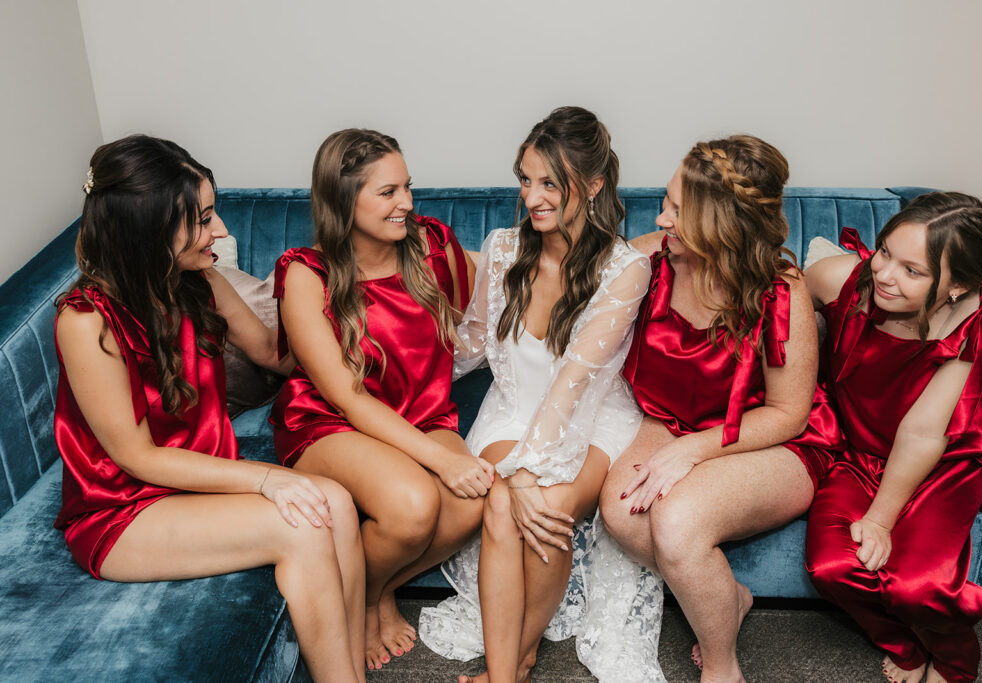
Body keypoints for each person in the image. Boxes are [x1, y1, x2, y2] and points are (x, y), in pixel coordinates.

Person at [54, 135, 364, 683]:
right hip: (124, 509)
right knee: (303, 525)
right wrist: (266, 478)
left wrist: (348, 328)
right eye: (201, 219)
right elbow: (139, 458)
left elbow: (274, 353)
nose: (219, 231)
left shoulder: (200, 280)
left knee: (336, 502)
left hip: (196, 482)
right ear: (147, 227)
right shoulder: (85, 323)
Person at [419, 106, 659, 683]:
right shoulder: (503, 249)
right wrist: (397, 392)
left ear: (594, 185)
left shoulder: (625, 269)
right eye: (526, 180)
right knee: (501, 507)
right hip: (511, 410)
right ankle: (509, 674)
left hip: (591, 416)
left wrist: (528, 472)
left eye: (550, 183)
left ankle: (517, 662)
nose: (532, 197)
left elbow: (574, 382)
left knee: (542, 506)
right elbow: (471, 345)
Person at [599, 135, 841, 682]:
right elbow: (569, 278)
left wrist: (694, 451)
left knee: (678, 521)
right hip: (669, 419)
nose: (662, 219)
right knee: (621, 511)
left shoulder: (780, 292)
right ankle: (728, 596)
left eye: (679, 211)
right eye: (666, 201)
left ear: (724, 224)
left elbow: (788, 414)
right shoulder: (651, 263)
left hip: (774, 437)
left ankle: (723, 666)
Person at [270, 129, 487, 671]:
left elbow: (505, 274)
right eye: (388, 193)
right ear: (345, 198)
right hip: (330, 420)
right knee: (414, 505)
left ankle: (380, 584)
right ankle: (368, 599)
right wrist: (439, 458)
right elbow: (345, 395)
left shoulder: (432, 243)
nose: (407, 204)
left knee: (473, 503)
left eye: (408, 188)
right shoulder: (306, 272)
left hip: (421, 410)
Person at [804, 192, 982, 683]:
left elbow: (925, 431)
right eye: (883, 253)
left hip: (938, 460)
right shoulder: (841, 278)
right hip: (856, 451)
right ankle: (904, 646)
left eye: (912, 271)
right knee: (831, 568)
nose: (883, 274)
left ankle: (956, 660)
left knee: (917, 587)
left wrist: (880, 519)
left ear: (959, 285)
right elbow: (775, 292)